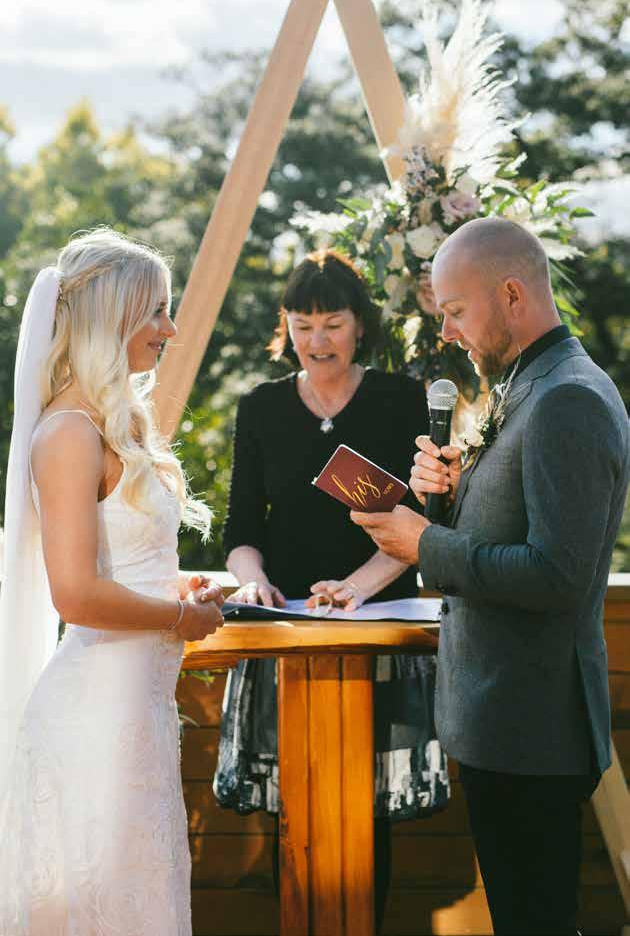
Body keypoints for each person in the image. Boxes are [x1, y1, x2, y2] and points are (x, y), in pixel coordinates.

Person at [352, 217, 630, 936]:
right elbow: (508, 527)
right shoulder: (527, 382)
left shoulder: (567, 398)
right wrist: (446, 495)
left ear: (511, 294)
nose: (447, 332)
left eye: (454, 310)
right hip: (501, 721)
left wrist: (423, 543)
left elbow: (557, 575)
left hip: (533, 727)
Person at [213, 249, 449, 930]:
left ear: (360, 325)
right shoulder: (260, 407)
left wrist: (355, 588)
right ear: (285, 328)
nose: (317, 341)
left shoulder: (401, 399)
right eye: (302, 325)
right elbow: (239, 529)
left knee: (368, 809)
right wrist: (254, 582)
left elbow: (422, 521)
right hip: (285, 633)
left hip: (377, 623)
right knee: (287, 811)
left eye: (333, 324)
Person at [0, 228, 225, 936]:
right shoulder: (69, 433)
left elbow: (121, 565)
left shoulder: (113, 425)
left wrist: (177, 587)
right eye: (156, 310)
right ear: (112, 316)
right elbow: (73, 593)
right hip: (94, 718)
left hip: (137, 714)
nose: (170, 329)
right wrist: (180, 619)